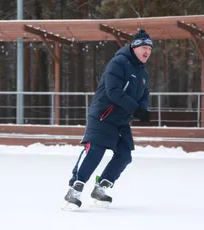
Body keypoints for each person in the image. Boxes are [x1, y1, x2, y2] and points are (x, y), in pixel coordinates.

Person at [62, 29, 153, 210]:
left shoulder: (143, 73)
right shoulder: (118, 63)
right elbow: (113, 91)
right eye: (143, 47)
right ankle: (75, 188)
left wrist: (142, 109)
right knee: (95, 150)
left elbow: (145, 95)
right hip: (103, 115)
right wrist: (135, 109)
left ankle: (101, 188)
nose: (147, 52)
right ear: (134, 48)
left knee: (124, 155)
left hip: (121, 120)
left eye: (150, 49)